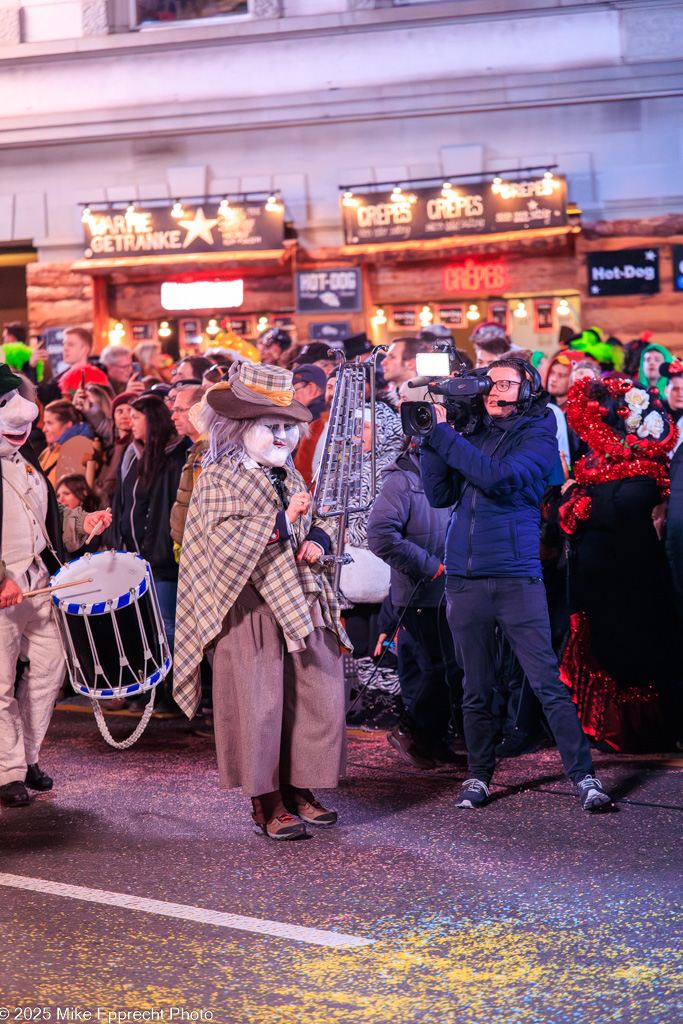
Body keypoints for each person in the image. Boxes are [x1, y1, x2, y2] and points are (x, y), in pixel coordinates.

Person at [419, 357, 612, 811]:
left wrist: (445, 437)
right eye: (489, 382)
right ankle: (478, 776)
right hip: (465, 578)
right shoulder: (470, 432)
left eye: (505, 382)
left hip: (515, 574)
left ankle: (584, 778)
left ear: (529, 388)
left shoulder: (539, 432)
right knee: (475, 685)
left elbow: (499, 478)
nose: (493, 389)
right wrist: (430, 437)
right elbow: (439, 495)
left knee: (546, 680)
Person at [173, 360, 349, 840]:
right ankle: (265, 800)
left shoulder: (287, 473)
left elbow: (319, 517)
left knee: (316, 695)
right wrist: (284, 525)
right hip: (246, 606)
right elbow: (220, 544)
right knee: (259, 704)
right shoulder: (217, 477)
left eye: (290, 428)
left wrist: (317, 536)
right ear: (240, 428)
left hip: (298, 598)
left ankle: (299, 786)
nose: (285, 439)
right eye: (273, 427)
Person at [0, 364, 111, 807]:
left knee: (48, 674)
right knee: (0, 683)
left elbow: (48, 519)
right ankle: (6, 772)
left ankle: (26, 758)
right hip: (5, 593)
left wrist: (83, 522)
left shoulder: (26, 464)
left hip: (38, 587)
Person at [560, 375, 681, 752]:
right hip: (598, 574)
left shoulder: (646, 465)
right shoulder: (597, 462)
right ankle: (610, 728)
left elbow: (620, 512)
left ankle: (638, 730)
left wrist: (576, 500)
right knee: (606, 648)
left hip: (632, 575)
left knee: (635, 650)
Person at [367, 384, 463, 769]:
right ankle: (410, 730)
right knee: (435, 668)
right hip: (420, 593)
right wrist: (431, 566)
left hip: (451, 590)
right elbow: (380, 535)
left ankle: (430, 740)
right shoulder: (402, 479)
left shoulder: (452, 474)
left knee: (449, 668)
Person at [109, 394, 190, 663]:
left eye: (135, 417)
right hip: (131, 557)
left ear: (152, 421)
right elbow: (122, 502)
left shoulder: (176, 457)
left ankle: (173, 689)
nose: (129, 422)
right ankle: (149, 687)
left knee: (166, 624)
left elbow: (170, 510)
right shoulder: (131, 455)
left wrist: (163, 550)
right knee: (141, 625)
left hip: (162, 560)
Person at [170, 384, 208, 549]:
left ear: (199, 410)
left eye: (179, 410)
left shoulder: (206, 453)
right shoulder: (197, 450)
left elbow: (205, 512)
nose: (173, 417)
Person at [38, 399, 95, 486]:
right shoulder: (51, 448)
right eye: (45, 423)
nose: (44, 429)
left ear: (68, 425)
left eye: (49, 423)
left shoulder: (80, 451)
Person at [291, 364, 328, 486]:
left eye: (293, 390)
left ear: (311, 388)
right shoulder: (329, 412)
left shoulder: (309, 417)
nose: (290, 397)